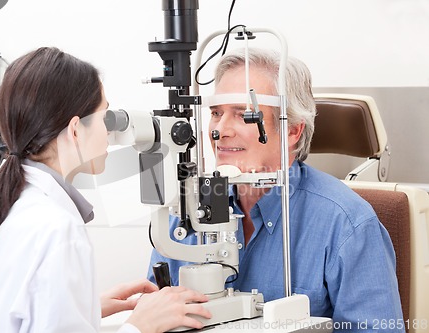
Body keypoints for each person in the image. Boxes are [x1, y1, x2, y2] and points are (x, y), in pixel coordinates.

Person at [0, 47, 211, 333]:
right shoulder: (57, 230)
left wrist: (84, 308)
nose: (109, 135)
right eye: (105, 118)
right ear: (76, 130)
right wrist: (139, 326)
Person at [148, 48, 404, 332]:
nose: (220, 130)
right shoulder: (187, 212)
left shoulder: (346, 224)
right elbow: (156, 310)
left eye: (243, 114)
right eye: (216, 113)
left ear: (292, 130)